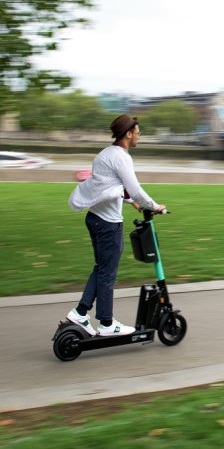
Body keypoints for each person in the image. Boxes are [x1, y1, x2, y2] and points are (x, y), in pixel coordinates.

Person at [67, 114, 166, 336]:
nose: (140, 136)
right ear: (128, 134)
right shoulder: (122, 158)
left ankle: (81, 313)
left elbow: (111, 187)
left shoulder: (104, 154)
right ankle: (106, 323)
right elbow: (135, 187)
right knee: (107, 273)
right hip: (108, 224)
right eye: (138, 133)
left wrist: (133, 203)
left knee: (102, 268)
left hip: (94, 218)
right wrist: (154, 205)